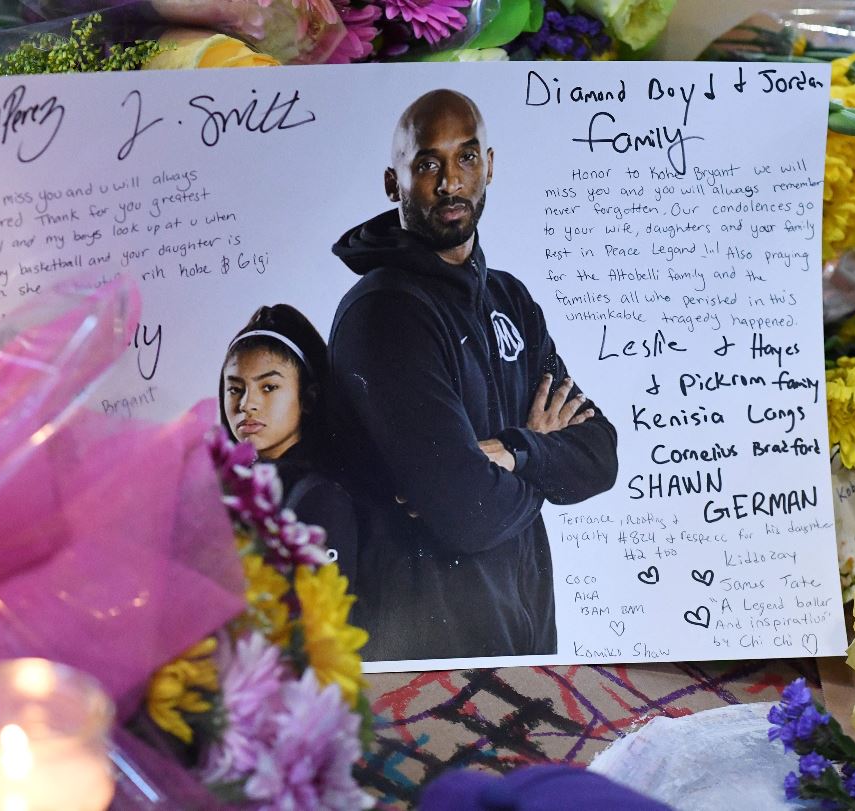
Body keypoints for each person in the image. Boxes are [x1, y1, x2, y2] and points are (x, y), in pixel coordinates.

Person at [327, 89, 618, 661]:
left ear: (490, 165)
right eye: (428, 164)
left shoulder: (509, 298)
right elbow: (466, 511)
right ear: (394, 183)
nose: (450, 182)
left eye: (466, 157)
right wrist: (540, 455)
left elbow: (601, 455)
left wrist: (511, 451)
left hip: (526, 627)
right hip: (426, 650)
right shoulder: (385, 312)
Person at [221, 304, 357, 578]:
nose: (247, 405)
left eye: (268, 387)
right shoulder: (236, 488)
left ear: (308, 398)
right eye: (236, 389)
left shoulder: (321, 496)